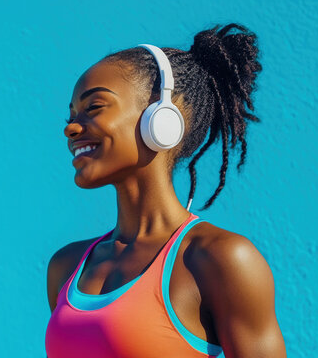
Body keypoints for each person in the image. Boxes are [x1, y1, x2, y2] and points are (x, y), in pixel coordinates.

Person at [45, 23, 286, 358]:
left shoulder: (219, 258)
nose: (71, 128)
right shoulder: (66, 267)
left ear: (164, 118)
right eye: (71, 116)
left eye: (95, 107)